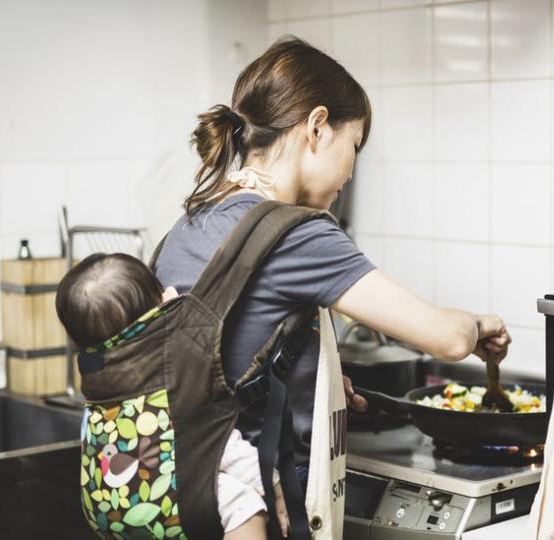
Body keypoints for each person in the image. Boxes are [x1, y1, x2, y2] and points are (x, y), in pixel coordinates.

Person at [153, 36, 511, 537]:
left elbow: (223, 356)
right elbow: (445, 339)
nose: (351, 169)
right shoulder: (294, 232)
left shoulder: (195, 217)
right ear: (317, 127)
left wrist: (310, 381)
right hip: (256, 511)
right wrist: (481, 324)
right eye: (354, 145)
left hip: (183, 502)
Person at [55, 252, 289, 540]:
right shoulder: (173, 379)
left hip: (104, 505)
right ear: (157, 311)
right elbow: (220, 446)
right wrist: (275, 484)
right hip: (164, 500)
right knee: (243, 504)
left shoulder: (99, 382)